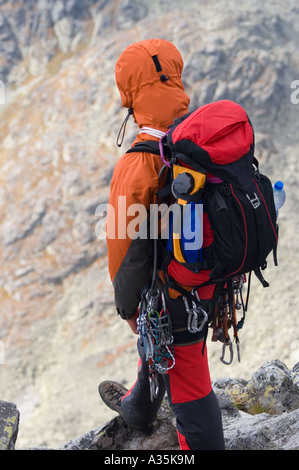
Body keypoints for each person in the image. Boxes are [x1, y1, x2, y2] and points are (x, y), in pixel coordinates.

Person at [98, 39, 225, 450]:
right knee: (162, 342)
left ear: (130, 96)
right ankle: (140, 407)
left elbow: (125, 248)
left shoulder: (139, 162)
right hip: (212, 278)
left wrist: (128, 308)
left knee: (187, 376)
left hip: (176, 293)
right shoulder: (200, 138)